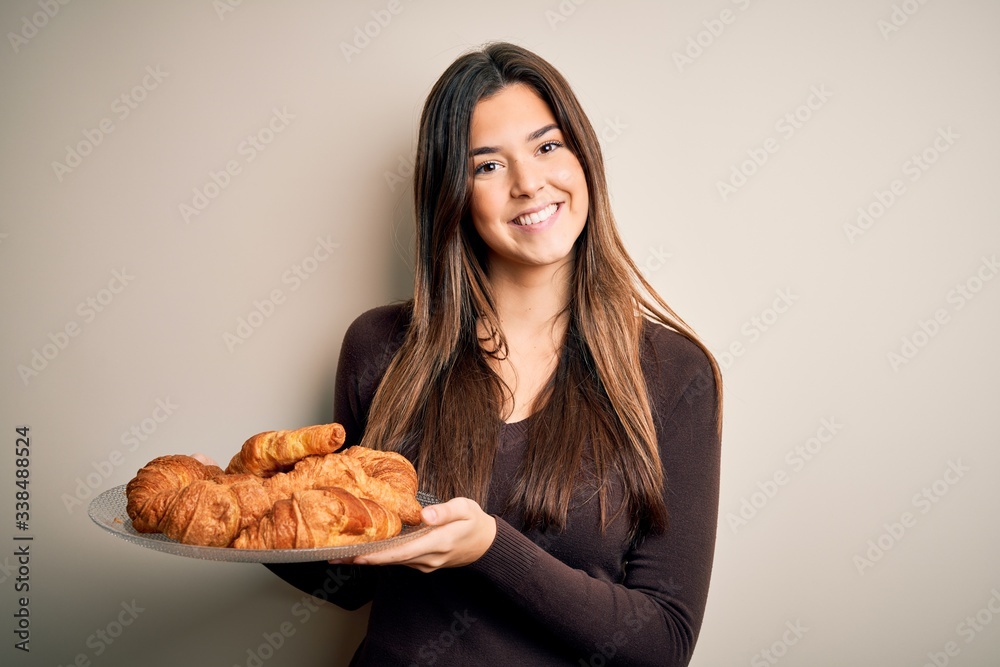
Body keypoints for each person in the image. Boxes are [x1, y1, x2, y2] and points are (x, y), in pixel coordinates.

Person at [266, 41, 722, 666]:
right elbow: (354, 585)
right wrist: (256, 518)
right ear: (452, 194)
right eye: (487, 166)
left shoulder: (675, 373)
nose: (528, 183)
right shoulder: (379, 347)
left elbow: (663, 643)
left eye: (547, 146)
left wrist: (489, 548)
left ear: (583, 157)